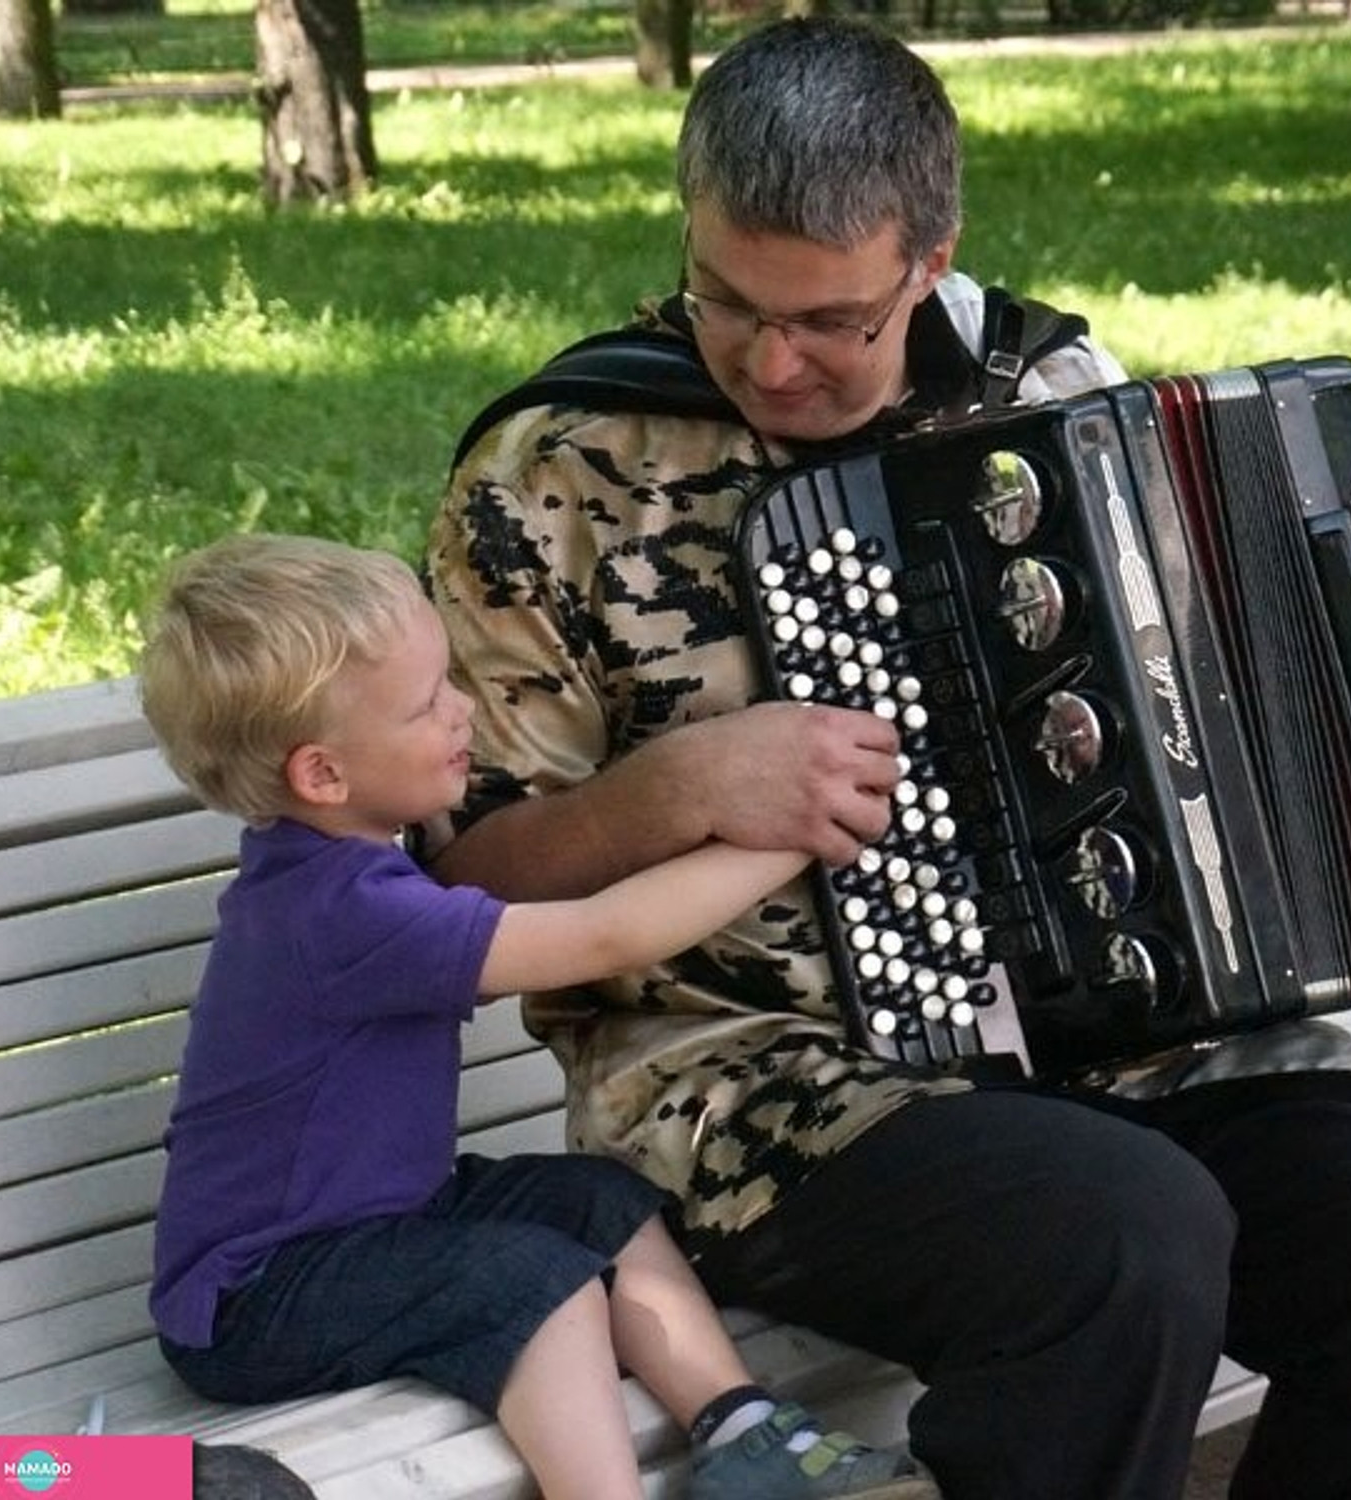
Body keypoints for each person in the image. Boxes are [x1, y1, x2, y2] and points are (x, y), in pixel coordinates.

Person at [422, 18, 1351, 1499]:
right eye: (728, 300)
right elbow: (468, 889)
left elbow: (1267, 675)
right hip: (749, 1081)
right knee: (1118, 1245)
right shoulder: (553, 471)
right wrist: (683, 791)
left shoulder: (1049, 392)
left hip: (1129, 1033)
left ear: (931, 257)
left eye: (834, 319)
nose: (772, 360)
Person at [138, 532, 938, 1500]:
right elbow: (606, 937)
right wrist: (801, 826)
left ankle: (746, 1435)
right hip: (257, 1299)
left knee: (588, 1202)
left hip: (376, 1223)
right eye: (427, 704)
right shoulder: (346, 916)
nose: (461, 710)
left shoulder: (339, 863)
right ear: (323, 776)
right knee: (527, 1278)